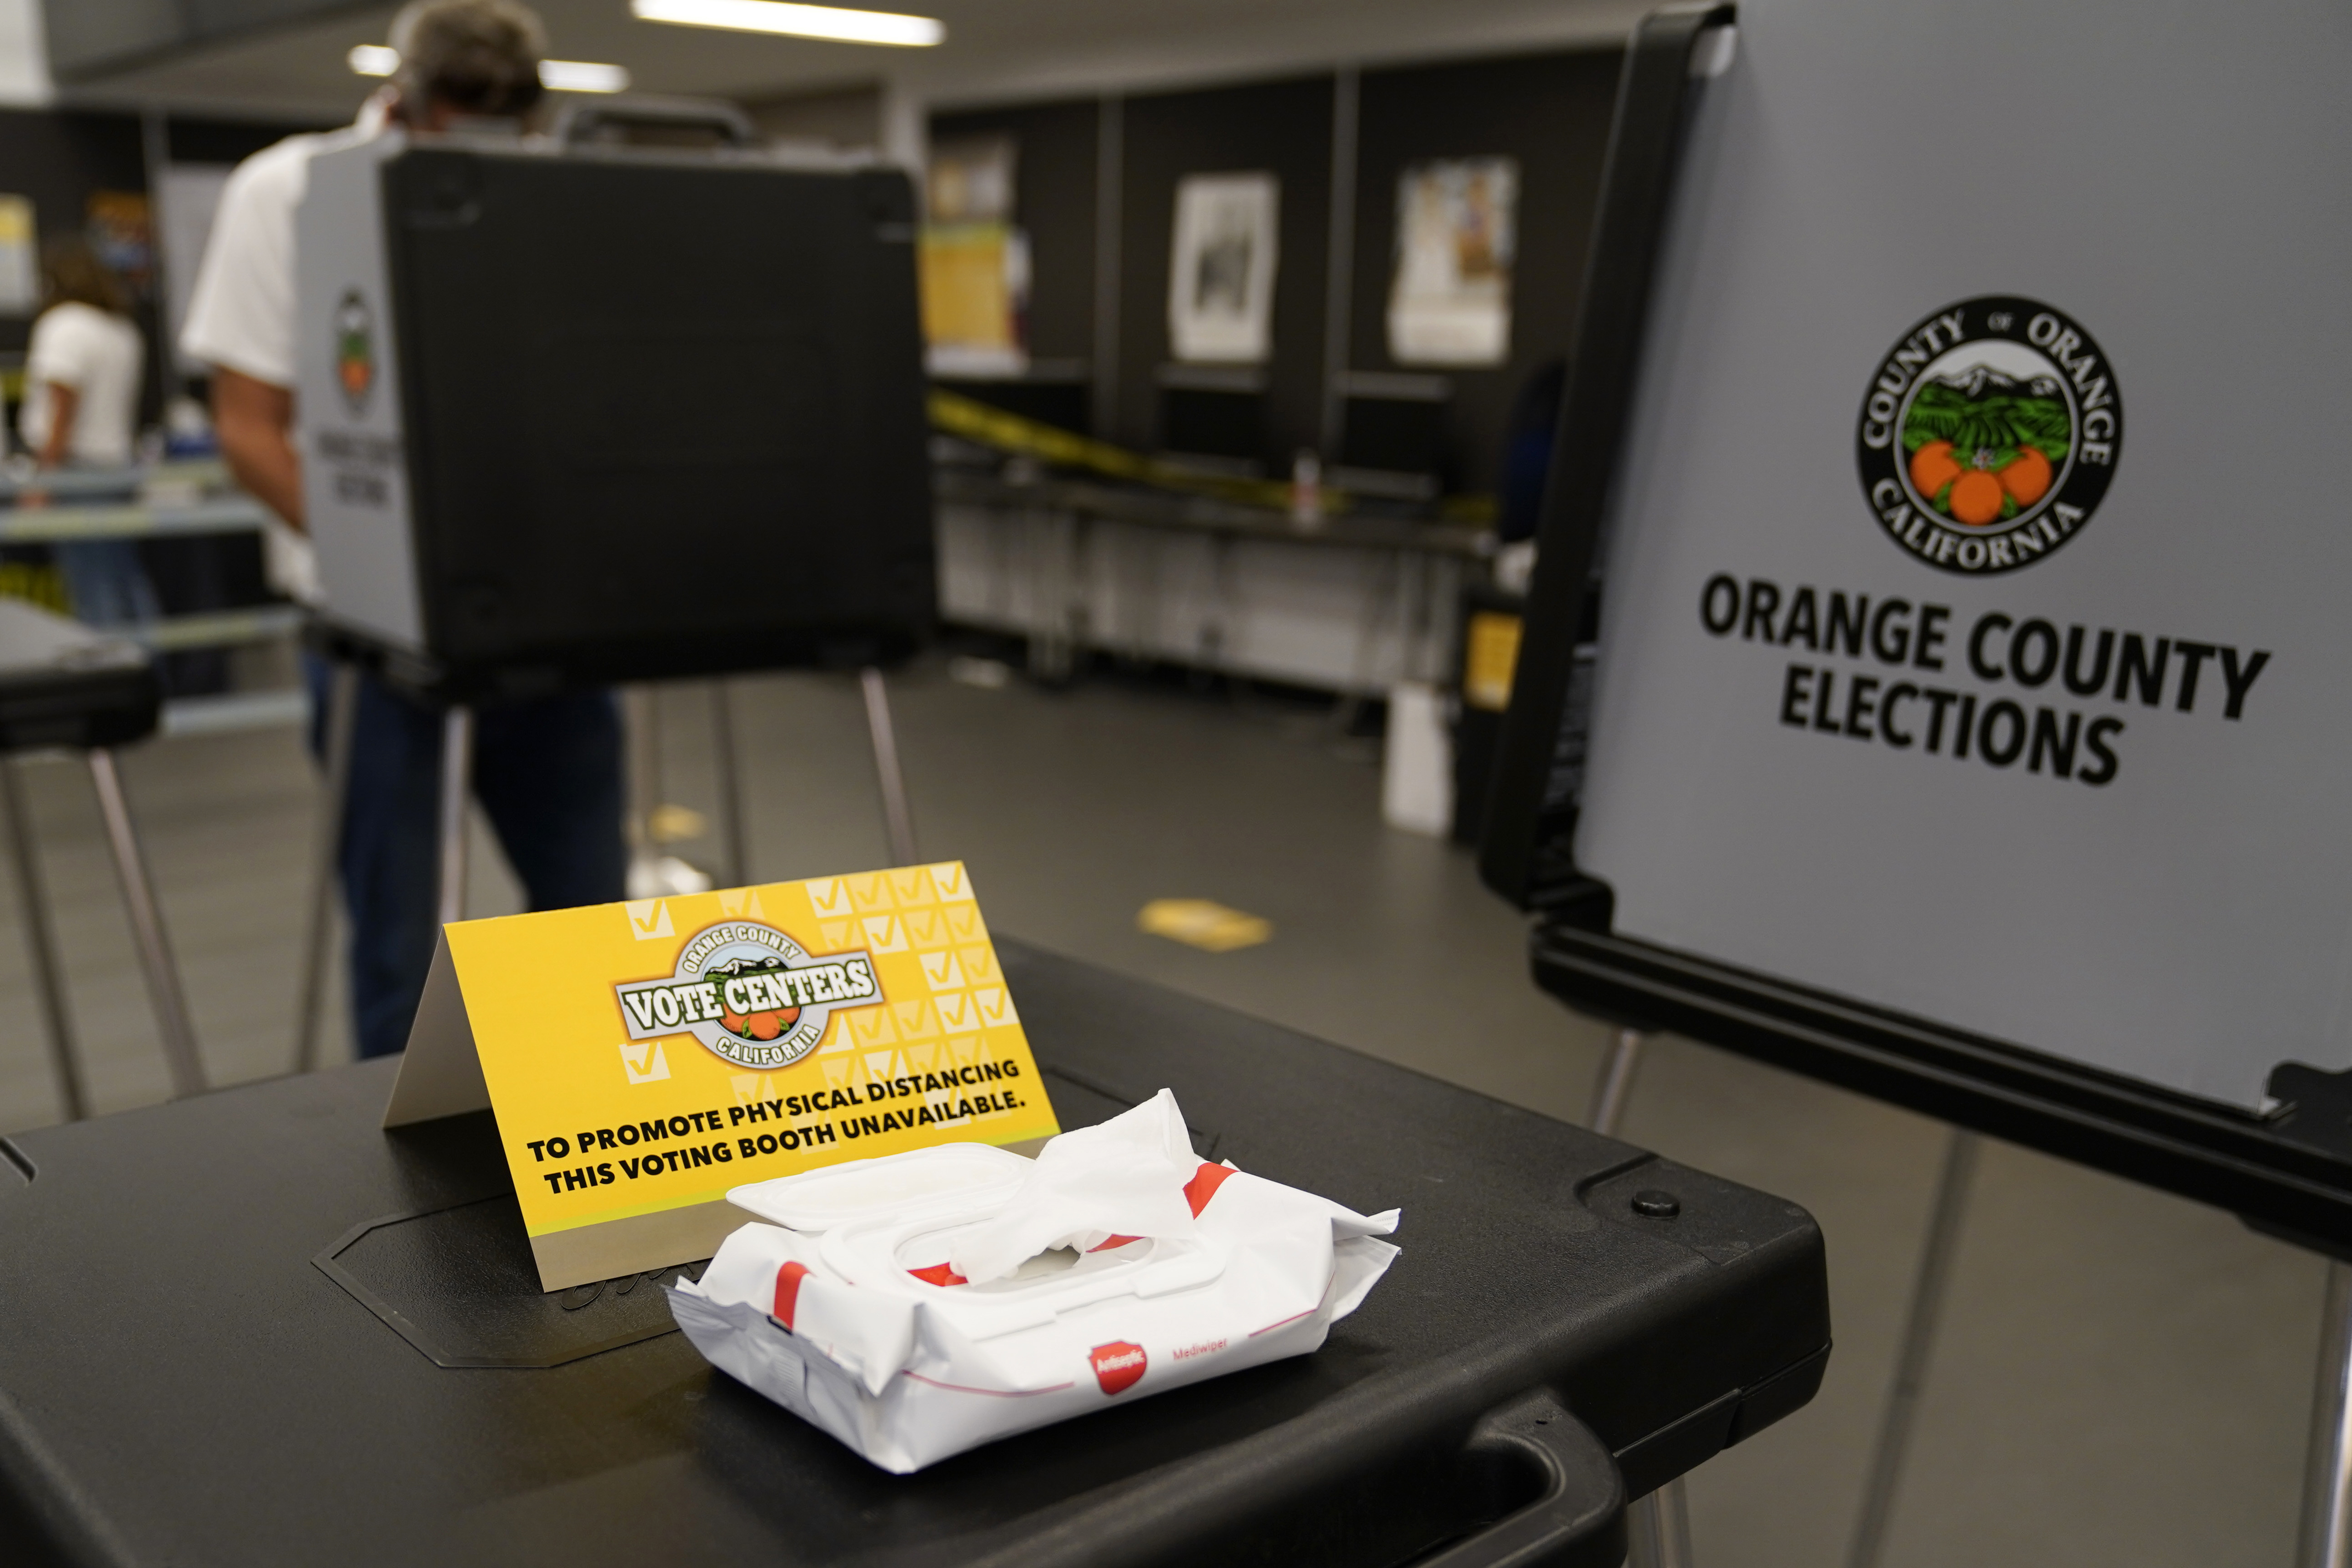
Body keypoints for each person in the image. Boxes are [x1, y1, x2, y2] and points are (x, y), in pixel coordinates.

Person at [180, 0, 626, 1060]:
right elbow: (250, 429)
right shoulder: (290, 192)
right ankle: (409, 1190)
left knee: (598, 927)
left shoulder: (547, 189)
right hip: (375, 641)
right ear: (403, 102)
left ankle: (609, 1150)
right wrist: (395, 575)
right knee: (401, 948)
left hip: (544, 630)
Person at [16, 237, 162, 626]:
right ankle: (146, 676)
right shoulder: (120, 329)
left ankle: (113, 680)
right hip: (118, 470)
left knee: (94, 591)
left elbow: (62, 411)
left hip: (77, 474)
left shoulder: (64, 324)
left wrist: (41, 481)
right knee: (126, 582)